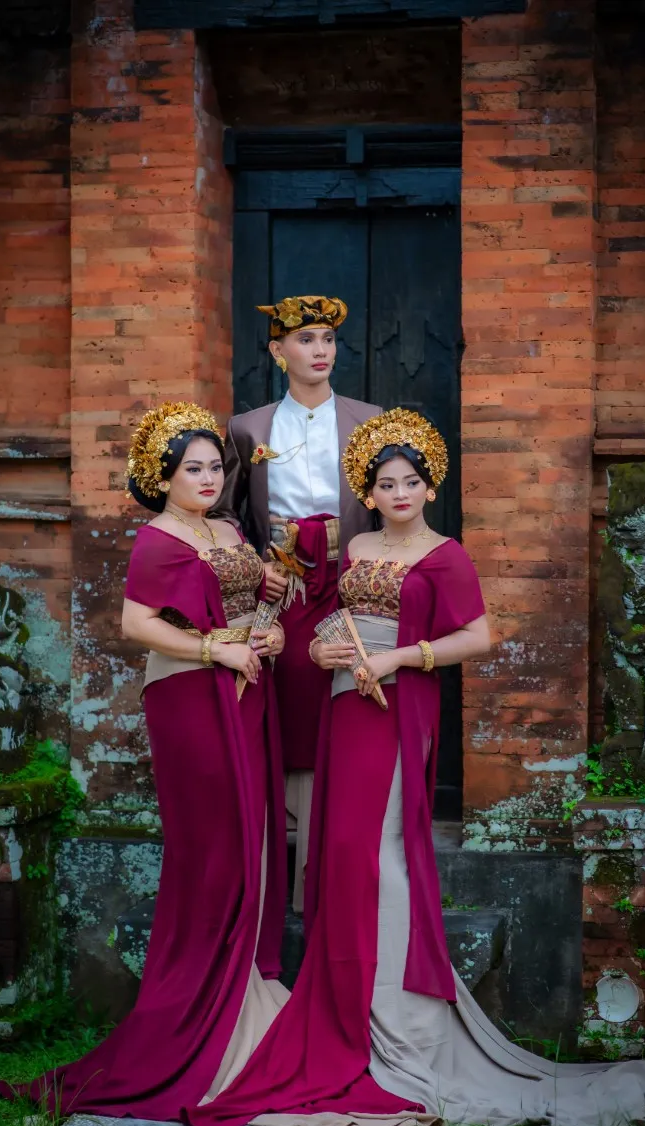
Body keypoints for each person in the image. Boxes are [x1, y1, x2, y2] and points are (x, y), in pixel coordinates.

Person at [185, 409, 645, 1126]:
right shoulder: (357, 547)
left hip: (399, 708)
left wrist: (402, 657)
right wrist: (324, 652)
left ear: (430, 487)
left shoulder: (446, 554)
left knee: (382, 851)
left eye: (410, 482)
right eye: (385, 483)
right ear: (368, 491)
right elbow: (327, 624)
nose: (399, 493)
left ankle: (403, 1019)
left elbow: (478, 636)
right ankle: (348, 1001)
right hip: (345, 706)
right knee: (341, 851)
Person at [0, 402, 288, 1119]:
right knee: (214, 845)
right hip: (191, 696)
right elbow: (137, 623)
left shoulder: (227, 529)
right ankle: (201, 1005)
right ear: (163, 477)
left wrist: (269, 624)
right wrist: (217, 649)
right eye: (193, 469)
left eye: (215, 467)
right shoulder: (157, 538)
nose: (208, 479)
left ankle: (244, 988)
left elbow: (247, 603)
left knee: (252, 836)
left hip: (248, 689)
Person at [216, 295, 381, 912]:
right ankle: (279, 855)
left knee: (347, 701)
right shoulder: (249, 428)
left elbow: (389, 504)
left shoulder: (371, 420)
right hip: (282, 585)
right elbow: (226, 512)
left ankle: (336, 857)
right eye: (306, 339)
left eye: (328, 339)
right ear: (277, 350)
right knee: (282, 703)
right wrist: (255, 563)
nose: (320, 351)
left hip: (349, 577)